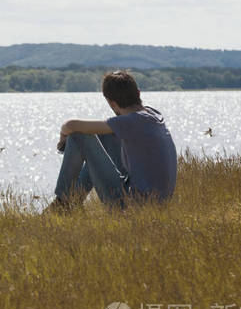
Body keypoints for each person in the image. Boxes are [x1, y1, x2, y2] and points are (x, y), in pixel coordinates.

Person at [48, 70, 177, 212]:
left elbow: (70, 125)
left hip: (130, 206)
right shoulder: (152, 113)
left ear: (111, 103)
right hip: (154, 200)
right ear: (138, 93)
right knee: (107, 134)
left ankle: (63, 202)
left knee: (78, 135)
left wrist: (62, 137)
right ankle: (74, 198)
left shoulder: (130, 122)